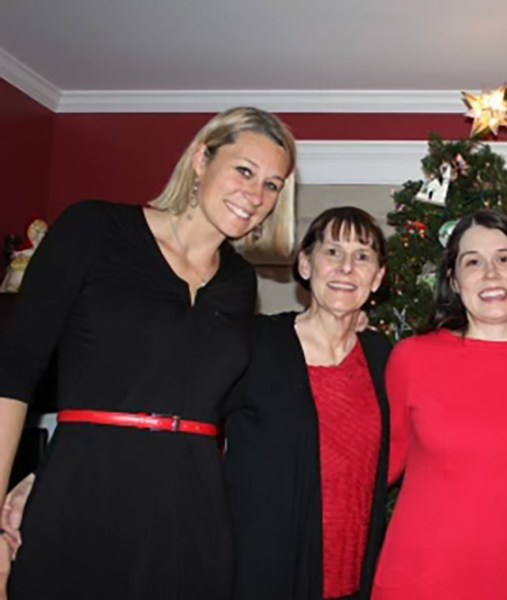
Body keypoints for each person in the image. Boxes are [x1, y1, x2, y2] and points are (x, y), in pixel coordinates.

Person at [0, 106, 297, 600]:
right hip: (85, 492)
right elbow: (14, 371)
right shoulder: (93, 229)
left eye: (272, 185)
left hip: (194, 511)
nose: (256, 195)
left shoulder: (239, 282)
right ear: (202, 160)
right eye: (244, 170)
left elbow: (217, 397)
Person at [372, 210, 507, 600]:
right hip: (418, 582)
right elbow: (373, 470)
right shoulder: (413, 358)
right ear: (453, 280)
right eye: (473, 262)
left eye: (504, 259)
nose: (490, 274)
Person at [224, 206, 392, 600]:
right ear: (304, 263)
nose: (346, 267)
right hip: (261, 575)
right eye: (332, 251)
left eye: (362, 256)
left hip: (353, 578)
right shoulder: (256, 343)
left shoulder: (383, 356)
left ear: (377, 278)